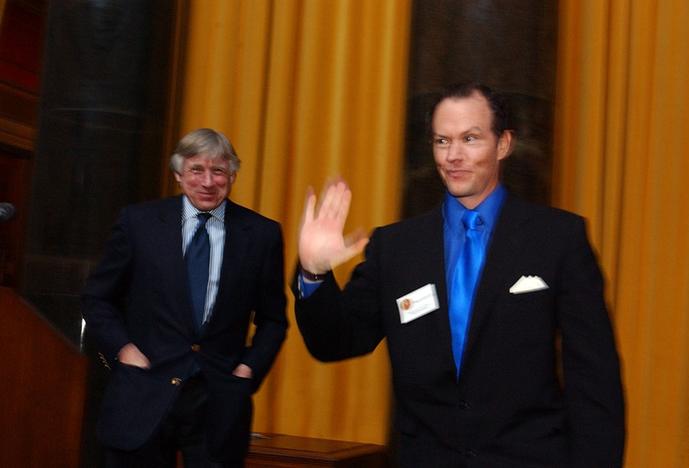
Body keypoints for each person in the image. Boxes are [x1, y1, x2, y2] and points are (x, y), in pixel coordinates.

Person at [293, 83, 625, 467]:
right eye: (442, 140)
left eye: (470, 138)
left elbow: (595, 384)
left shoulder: (558, 239)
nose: (454, 156)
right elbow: (335, 342)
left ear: (503, 144)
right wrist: (314, 273)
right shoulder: (396, 247)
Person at [83, 128, 288, 467]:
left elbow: (274, 319)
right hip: (142, 393)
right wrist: (123, 350)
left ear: (233, 175)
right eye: (196, 170)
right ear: (178, 175)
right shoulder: (139, 222)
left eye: (218, 171)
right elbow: (97, 298)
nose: (208, 182)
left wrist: (248, 369)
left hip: (218, 403)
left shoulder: (262, 234)